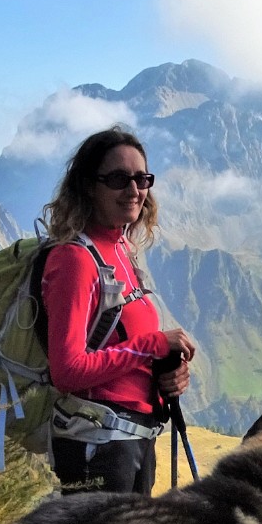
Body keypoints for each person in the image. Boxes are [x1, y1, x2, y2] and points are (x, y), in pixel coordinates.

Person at [38, 127, 195, 496]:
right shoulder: (75, 260)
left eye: (142, 179)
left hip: (133, 442)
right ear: (90, 186)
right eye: (117, 179)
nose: (134, 190)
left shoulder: (121, 249)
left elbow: (119, 347)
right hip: (98, 448)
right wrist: (154, 346)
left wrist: (165, 377)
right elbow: (68, 371)